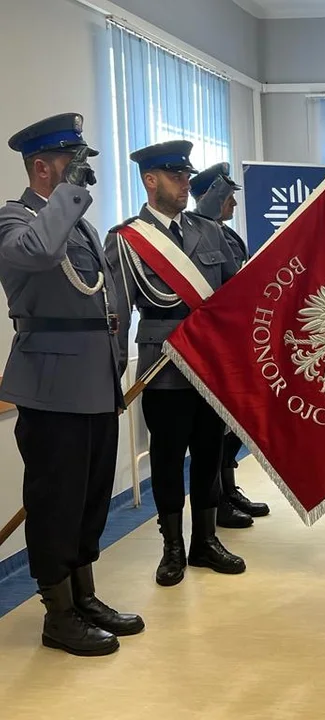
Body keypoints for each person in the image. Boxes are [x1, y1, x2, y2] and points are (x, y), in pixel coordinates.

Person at [0, 113, 143, 656]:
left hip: (94, 378)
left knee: (89, 498)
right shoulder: (12, 219)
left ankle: (84, 596)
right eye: (70, 163)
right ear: (42, 168)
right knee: (56, 499)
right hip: (52, 382)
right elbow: (36, 253)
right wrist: (69, 193)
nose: (83, 175)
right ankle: (58, 614)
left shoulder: (75, 223)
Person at [104, 140, 245, 588]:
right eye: (174, 176)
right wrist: (110, 376)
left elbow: (231, 300)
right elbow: (118, 315)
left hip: (210, 368)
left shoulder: (209, 231)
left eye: (186, 175)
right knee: (167, 460)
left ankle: (204, 541)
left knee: (208, 453)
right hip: (163, 367)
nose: (185, 183)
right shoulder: (127, 239)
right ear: (150, 181)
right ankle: (172, 547)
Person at [188, 162, 271, 530]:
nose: (234, 204)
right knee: (215, 428)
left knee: (235, 423)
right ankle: (217, 499)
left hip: (239, 341)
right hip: (213, 348)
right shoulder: (192, 235)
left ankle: (229, 486)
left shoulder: (230, 237)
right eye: (228, 196)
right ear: (210, 198)